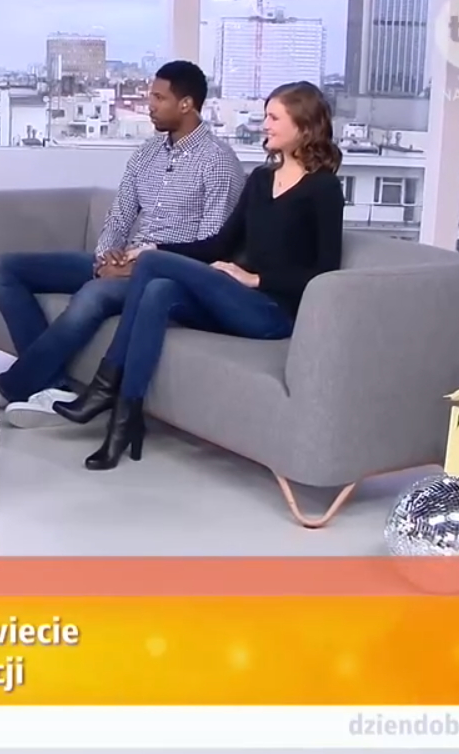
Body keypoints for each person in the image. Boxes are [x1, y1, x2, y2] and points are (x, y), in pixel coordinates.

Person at [53, 81, 345, 471]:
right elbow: (218, 245)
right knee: (158, 290)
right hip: (236, 300)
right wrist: (154, 247)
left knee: (154, 268)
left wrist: (257, 280)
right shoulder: (261, 180)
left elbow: (326, 273)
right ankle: (125, 418)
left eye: (274, 118)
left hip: (274, 313)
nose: (265, 125)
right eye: (266, 116)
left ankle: (104, 388)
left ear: (303, 124)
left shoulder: (324, 189)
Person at [0, 60, 246, 428]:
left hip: (167, 278)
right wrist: (104, 258)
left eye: (159, 98)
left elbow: (211, 247)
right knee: (5, 269)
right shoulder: (147, 153)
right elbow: (120, 215)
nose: (150, 105)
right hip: (122, 262)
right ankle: (53, 387)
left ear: (187, 104)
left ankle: (9, 388)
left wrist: (136, 268)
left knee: (93, 294)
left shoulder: (218, 163)